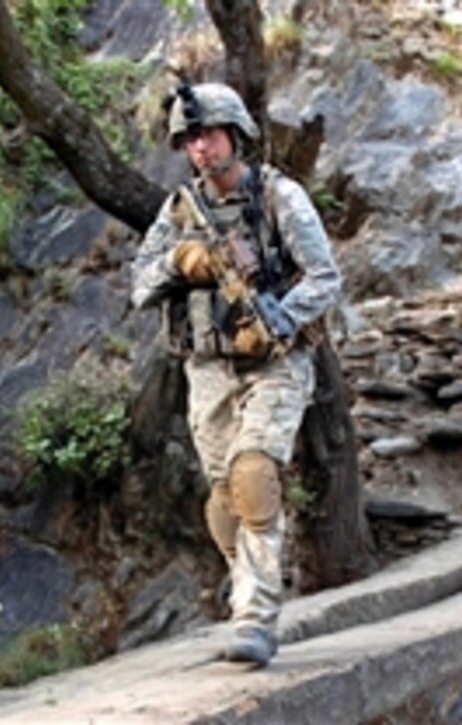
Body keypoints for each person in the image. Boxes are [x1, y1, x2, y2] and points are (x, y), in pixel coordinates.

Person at [130, 82, 342, 667]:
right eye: (190, 138)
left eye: (210, 134)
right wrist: (182, 261)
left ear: (236, 134)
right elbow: (140, 282)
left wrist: (278, 318)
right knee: (224, 501)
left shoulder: (281, 197)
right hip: (208, 369)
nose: (200, 147)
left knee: (254, 475)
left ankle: (255, 613)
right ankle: (252, 576)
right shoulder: (179, 211)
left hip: (276, 361)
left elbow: (325, 277)